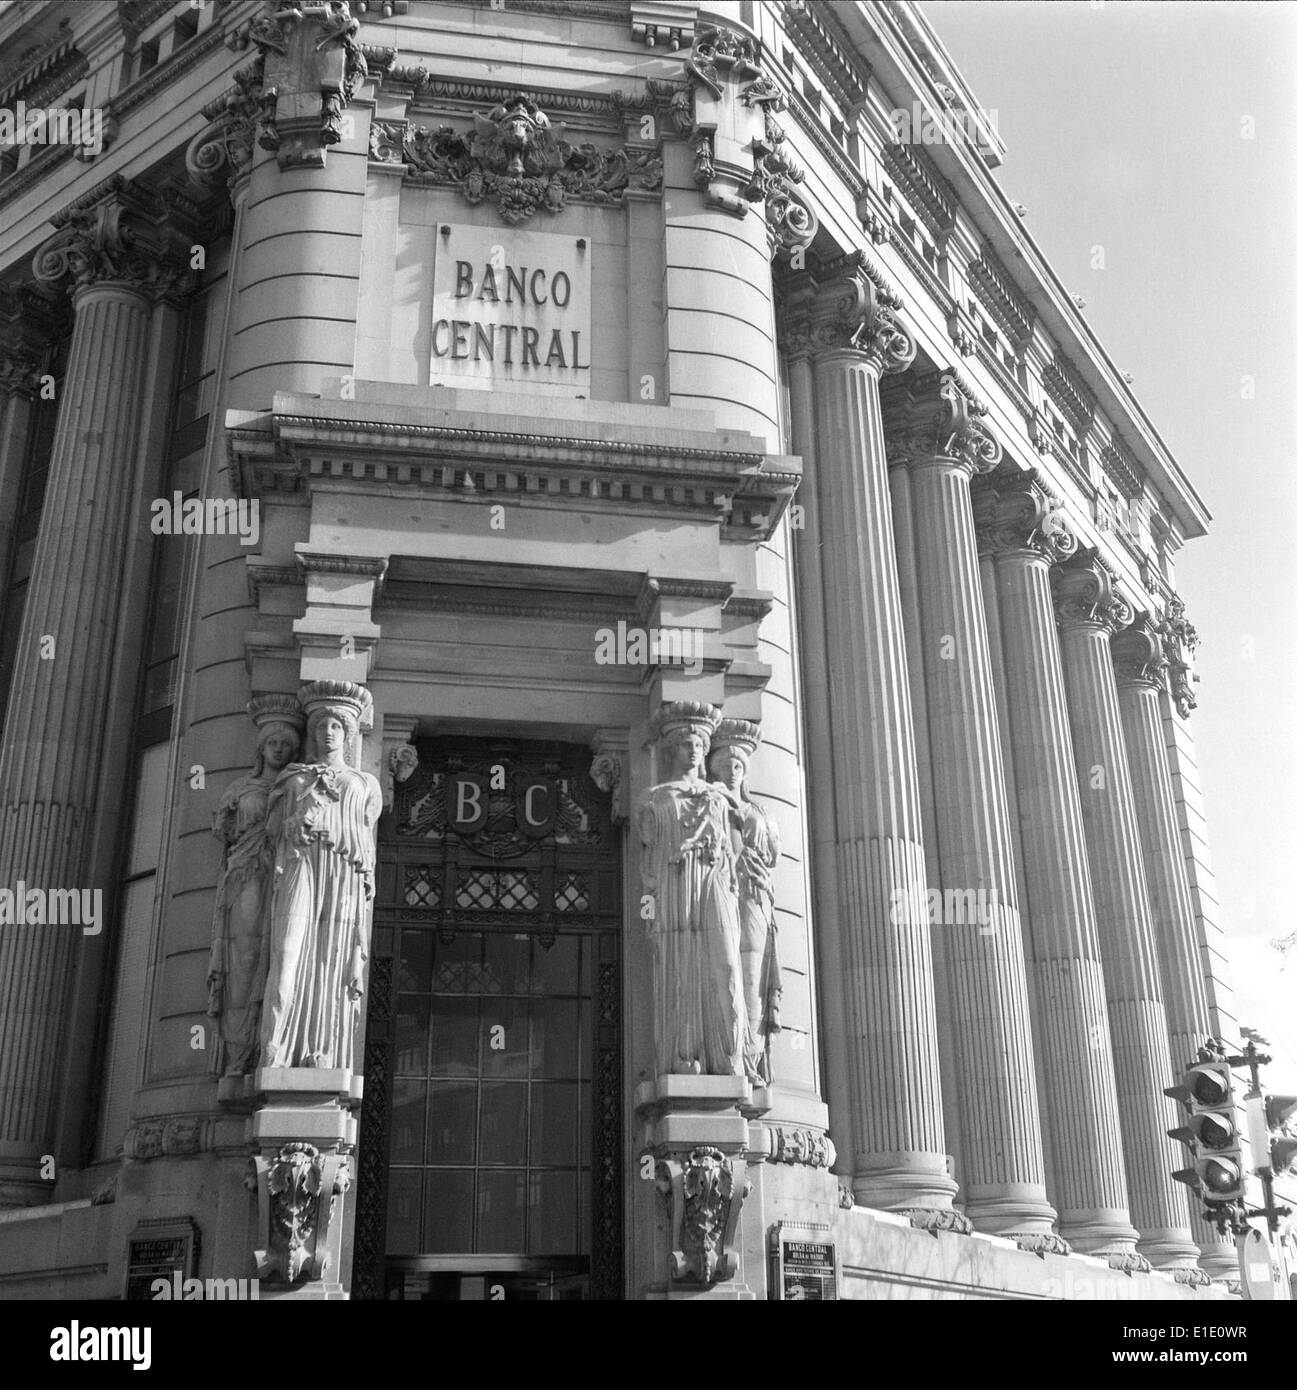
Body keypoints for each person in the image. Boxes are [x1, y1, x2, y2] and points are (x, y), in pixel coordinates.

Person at [260, 681, 382, 1071]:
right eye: (320, 726)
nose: (327, 732)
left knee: (331, 964)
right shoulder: (294, 779)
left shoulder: (364, 783)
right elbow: (270, 833)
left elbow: (364, 835)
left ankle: (320, 1053)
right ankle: (277, 1050)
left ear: (348, 734)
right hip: (299, 867)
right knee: (288, 956)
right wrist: (297, 816)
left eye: (335, 726)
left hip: (342, 874)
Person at [638, 701, 746, 1078]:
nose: (694, 749)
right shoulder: (658, 797)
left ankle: (729, 1056)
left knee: (727, 964)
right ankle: (685, 1054)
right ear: (673, 750)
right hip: (676, 884)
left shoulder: (719, 799)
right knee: (680, 962)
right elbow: (649, 862)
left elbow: (738, 855)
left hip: (714, 883)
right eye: (686, 743)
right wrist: (649, 907)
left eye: (700, 743)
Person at [207, 698, 304, 1077]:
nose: (278, 749)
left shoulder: (295, 782)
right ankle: (238, 1055)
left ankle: (268, 1048)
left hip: (283, 875)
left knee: (277, 960)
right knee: (244, 960)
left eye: (285, 744)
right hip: (246, 874)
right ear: (260, 748)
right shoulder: (240, 788)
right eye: (272, 743)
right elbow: (225, 833)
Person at [708, 719, 782, 1084]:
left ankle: (750, 1057)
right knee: (727, 972)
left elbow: (773, 854)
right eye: (723, 767)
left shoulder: (758, 813)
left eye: (737, 766)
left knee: (752, 974)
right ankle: (733, 1052)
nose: (731, 772)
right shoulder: (714, 806)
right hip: (722, 894)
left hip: (754, 897)